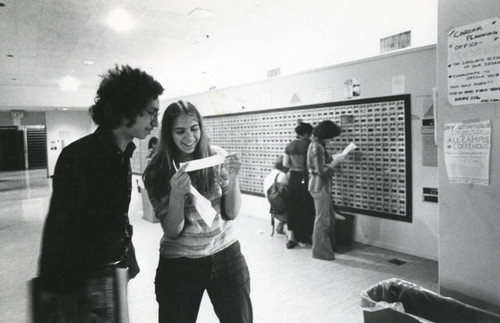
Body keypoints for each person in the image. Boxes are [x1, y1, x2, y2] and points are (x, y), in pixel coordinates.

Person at [37, 65, 164, 320]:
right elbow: (59, 225)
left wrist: (126, 259)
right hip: (83, 281)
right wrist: (51, 286)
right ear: (127, 111)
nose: (155, 122)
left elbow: (116, 217)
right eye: (151, 113)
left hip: (114, 272)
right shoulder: (79, 157)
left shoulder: (123, 154)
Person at [143, 100, 253, 323]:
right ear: (168, 133)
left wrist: (233, 178)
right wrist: (176, 194)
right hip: (181, 263)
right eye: (180, 131)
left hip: (226, 253)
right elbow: (173, 230)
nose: (189, 137)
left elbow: (231, 213)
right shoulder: (157, 171)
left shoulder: (216, 156)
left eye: (194, 129)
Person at [307, 120, 350, 260]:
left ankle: (327, 248)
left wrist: (334, 157)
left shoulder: (316, 144)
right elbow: (321, 171)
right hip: (319, 185)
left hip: (318, 185)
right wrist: (335, 162)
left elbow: (320, 162)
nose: (332, 139)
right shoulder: (317, 147)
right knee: (322, 220)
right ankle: (320, 252)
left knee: (328, 218)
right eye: (332, 136)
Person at [283, 120, 315, 248]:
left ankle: (291, 237)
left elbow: (285, 164)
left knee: (293, 205)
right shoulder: (309, 145)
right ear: (307, 134)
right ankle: (306, 236)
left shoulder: (289, 145)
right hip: (305, 177)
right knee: (306, 206)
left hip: (293, 178)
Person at [263, 155, 290, 235]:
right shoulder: (283, 176)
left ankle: (281, 225)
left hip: (273, 210)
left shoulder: (268, 176)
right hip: (283, 211)